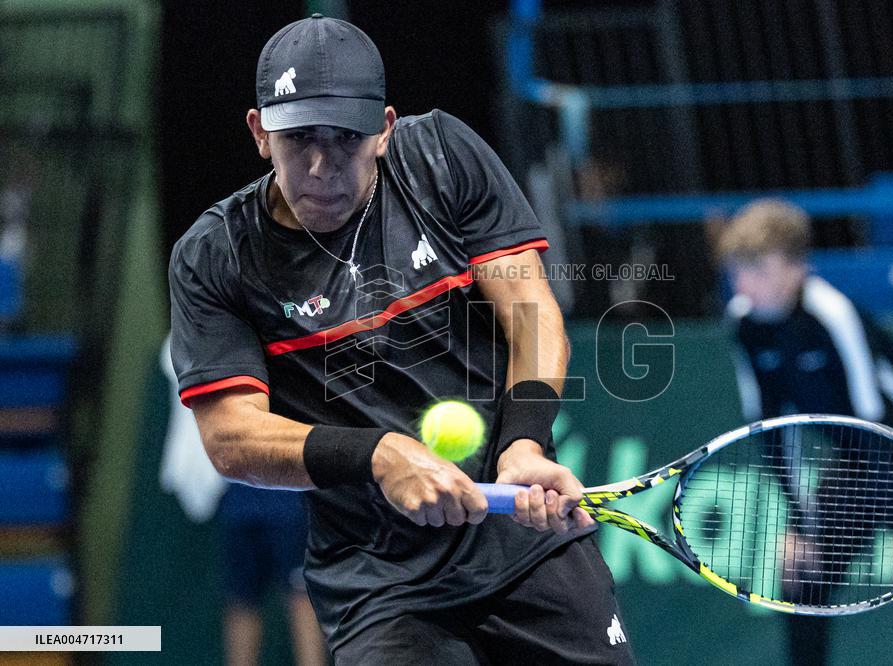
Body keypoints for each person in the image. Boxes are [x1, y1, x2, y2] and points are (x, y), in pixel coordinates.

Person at [168, 15, 634, 665]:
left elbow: (531, 314)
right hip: (379, 586)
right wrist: (380, 455)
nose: (322, 166)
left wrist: (524, 442)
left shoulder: (443, 157)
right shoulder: (215, 256)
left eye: (347, 139)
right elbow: (231, 437)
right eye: (299, 138)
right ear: (259, 134)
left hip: (530, 554)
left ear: (385, 129)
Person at [716, 199, 893, 666]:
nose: (744, 283)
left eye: (758, 269)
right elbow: (775, 433)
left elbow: (873, 422)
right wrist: (798, 525)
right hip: (860, 456)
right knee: (799, 575)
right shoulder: (744, 323)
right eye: (737, 270)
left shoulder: (830, 313)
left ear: (796, 268)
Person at [160, 339, 328, 666]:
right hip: (236, 496)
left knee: (300, 595)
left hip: (287, 494)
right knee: (240, 599)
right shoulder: (207, 335)